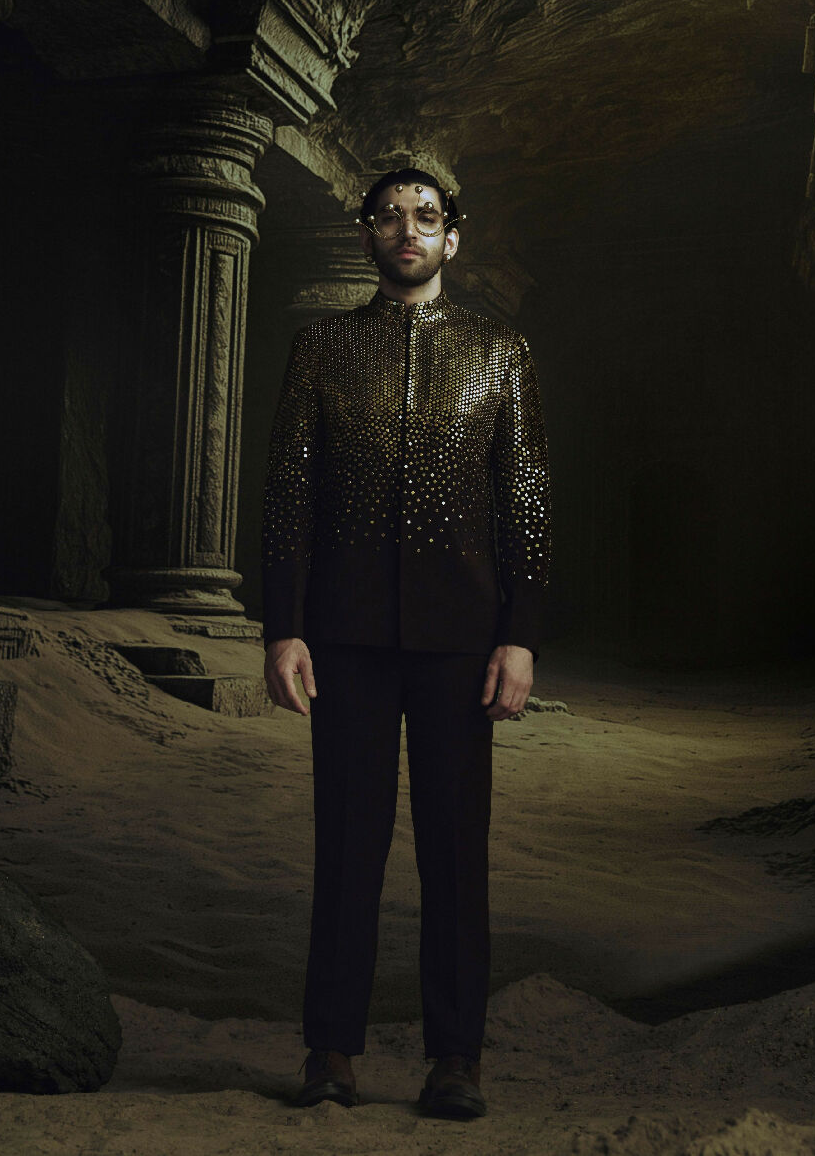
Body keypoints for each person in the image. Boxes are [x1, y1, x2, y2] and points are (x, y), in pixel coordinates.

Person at [260, 166, 551, 1119]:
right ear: (366, 236)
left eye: (426, 216)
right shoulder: (323, 346)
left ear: (452, 238)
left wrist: (519, 638)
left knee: (455, 852)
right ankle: (330, 1050)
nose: (408, 228)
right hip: (342, 636)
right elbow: (289, 496)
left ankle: (454, 1059)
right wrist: (284, 626)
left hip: (460, 641)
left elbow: (527, 504)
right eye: (389, 215)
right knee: (345, 842)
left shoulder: (498, 350)